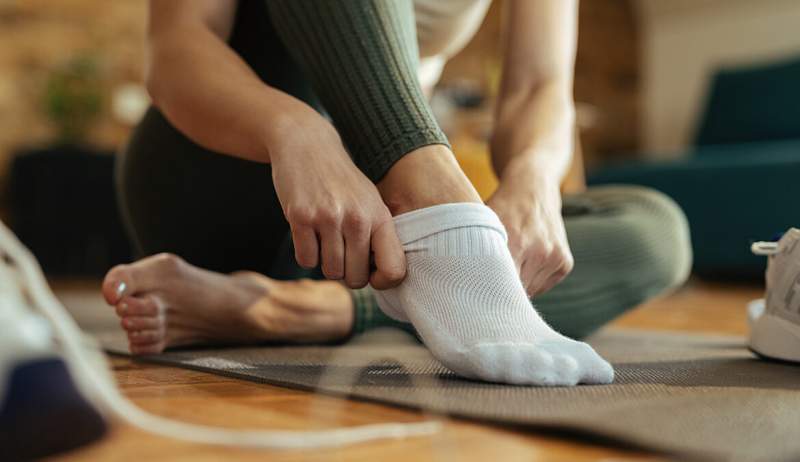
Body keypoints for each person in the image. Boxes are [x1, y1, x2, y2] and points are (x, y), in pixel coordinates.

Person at [101, 0, 691, 385]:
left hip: (376, 236)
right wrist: (297, 130)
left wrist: (534, 179)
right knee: (448, 227)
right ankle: (441, 219)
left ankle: (294, 311)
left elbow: (539, 85)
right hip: (230, 170)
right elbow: (177, 48)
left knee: (654, 228)